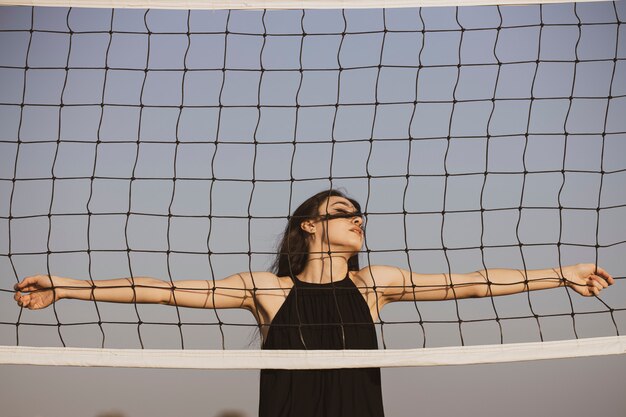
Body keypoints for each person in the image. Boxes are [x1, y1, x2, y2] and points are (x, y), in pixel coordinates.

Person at [14, 189, 614, 417]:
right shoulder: (266, 289)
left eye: (359, 215)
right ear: (308, 226)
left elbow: (475, 283)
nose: (358, 220)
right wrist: (66, 287)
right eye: (343, 213)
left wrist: (563, 274)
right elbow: (164, 292)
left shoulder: (374, 283)